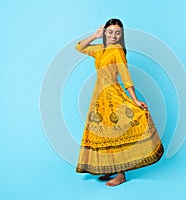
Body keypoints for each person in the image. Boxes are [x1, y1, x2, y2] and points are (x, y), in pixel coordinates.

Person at [75, 18, 164, 186]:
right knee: (104, 133)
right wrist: (95, 36)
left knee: (116, 133)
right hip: (99, 97)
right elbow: (79, 46)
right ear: (105, 33)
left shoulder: (117, 51)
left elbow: (126, 76)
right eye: (110, 32)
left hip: (112, 96)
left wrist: (135, 99)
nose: (114, 36)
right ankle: (110, 167)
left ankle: (121, 175)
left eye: (117, 33)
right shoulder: (100, 49)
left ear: (121, 35)